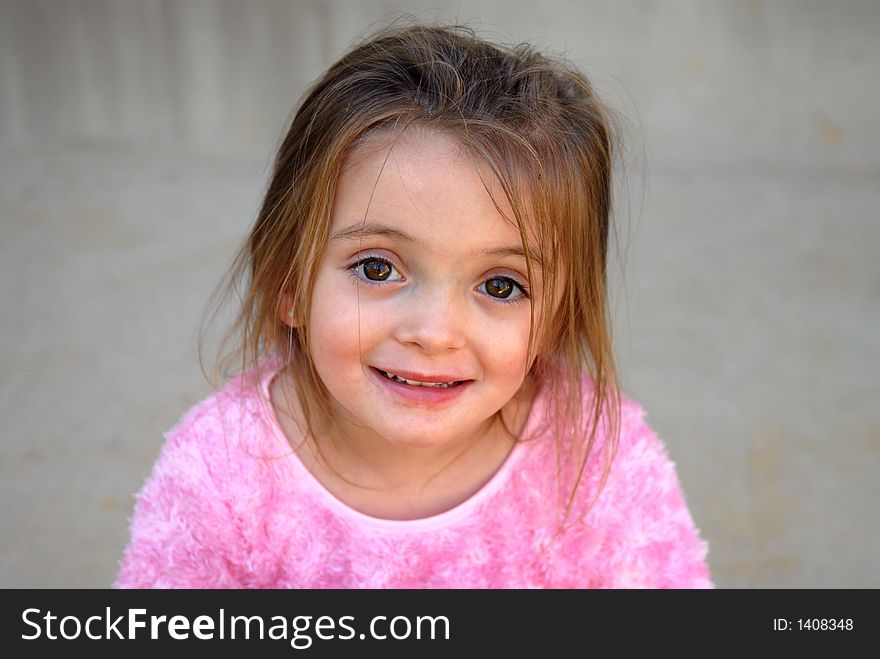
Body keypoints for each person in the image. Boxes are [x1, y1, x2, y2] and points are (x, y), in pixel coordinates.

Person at [116, 24, 711, 588]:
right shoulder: (220, 475)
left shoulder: (598, 461)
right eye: (378, 269)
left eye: (501, 286)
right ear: (288, 284)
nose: (434, 332)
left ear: (555, 320)